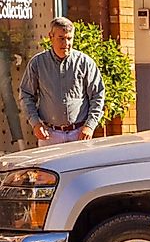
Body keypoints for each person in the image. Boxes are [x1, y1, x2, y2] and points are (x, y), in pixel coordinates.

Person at [18, 16, 105, 146]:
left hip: (79, 133)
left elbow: (98, 95)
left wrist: (90, 125)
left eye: (69, 38)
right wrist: (35, 123)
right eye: (61, 38)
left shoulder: (85, 63)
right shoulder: (37, 63)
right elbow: (26, 95)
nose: (66, 43)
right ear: (51, 36)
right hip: (50, 135)